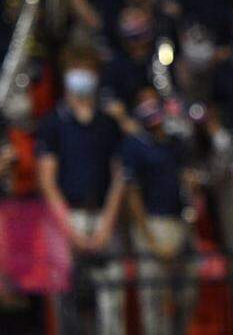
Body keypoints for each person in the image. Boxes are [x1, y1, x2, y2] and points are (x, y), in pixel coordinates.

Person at [36, 45, 126, 335]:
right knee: (66, 308)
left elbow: (120, 177)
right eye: (76, 70)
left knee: (112, 307)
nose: (82, 76)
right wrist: (69, 229)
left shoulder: (108, 124)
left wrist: (106, 226)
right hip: (66, 220)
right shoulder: (52, 122)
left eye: (88, 70)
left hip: (104, 220)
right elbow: (47, 182)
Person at [121, 88, 197, 335]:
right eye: (144, 105)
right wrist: (150, 240)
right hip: (152, 225)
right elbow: (132, 195)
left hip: (180, 223)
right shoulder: (134, 145)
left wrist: (189, 222)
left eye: (153, 104)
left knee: (187, 294)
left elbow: (188, 184)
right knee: (153, 299)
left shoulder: (176, 142)